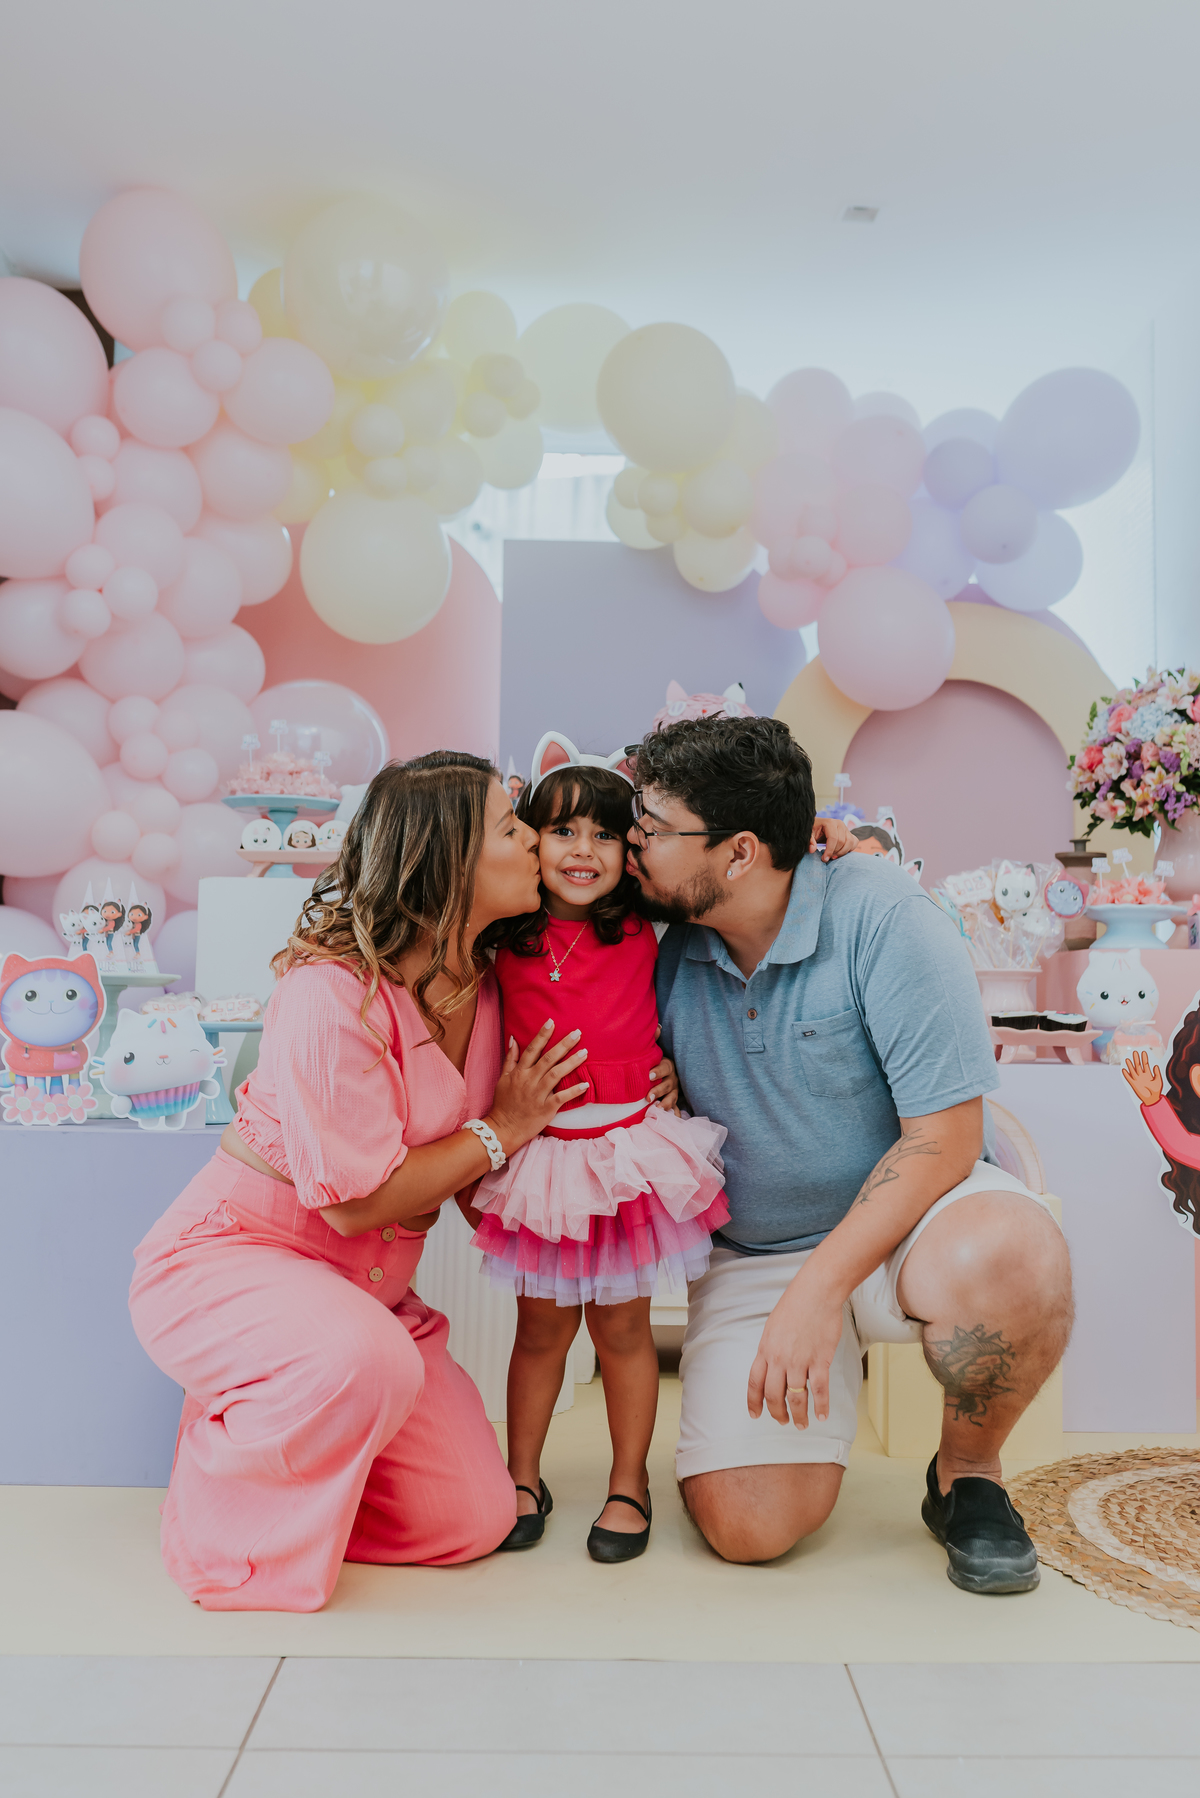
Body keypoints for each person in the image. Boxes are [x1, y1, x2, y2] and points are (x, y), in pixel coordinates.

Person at [128, 752, 598, 1612]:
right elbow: (354, 1201)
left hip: (370, 1300)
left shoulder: (486, 992)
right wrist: (502, 1131)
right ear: (449, 860)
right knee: (360, 1359)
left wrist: (641, 1101)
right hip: (232, 1261)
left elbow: (473, 1178)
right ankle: (230, 1500)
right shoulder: (326, 994)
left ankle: (304, 1442)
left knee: (474, 1518)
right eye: (511, 827)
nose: (534, 840)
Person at [626, 715, 1074, 1594]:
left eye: (653, 828)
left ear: (743, 852)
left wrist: (819, 1290)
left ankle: (967, 1477)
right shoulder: (658, 930)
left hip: (904, 1230)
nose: (633, 844)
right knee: (750, 1528)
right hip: (753, 1251)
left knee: (1017, 1254)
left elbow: (944, 1138)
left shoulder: (888, 917)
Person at [467, 747, 730, 1564]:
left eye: (605, 836)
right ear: (531, 841)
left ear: (632, 853)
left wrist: (677, 1068)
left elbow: (693, 1013)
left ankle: (629, 1482)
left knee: (624, 1332)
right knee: (539, 1333)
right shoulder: (501, 938)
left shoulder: (654, 934)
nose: (583, 850)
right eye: (562, 830)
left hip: (624, 1156)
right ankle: (522, 1476)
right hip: (543, 1158)